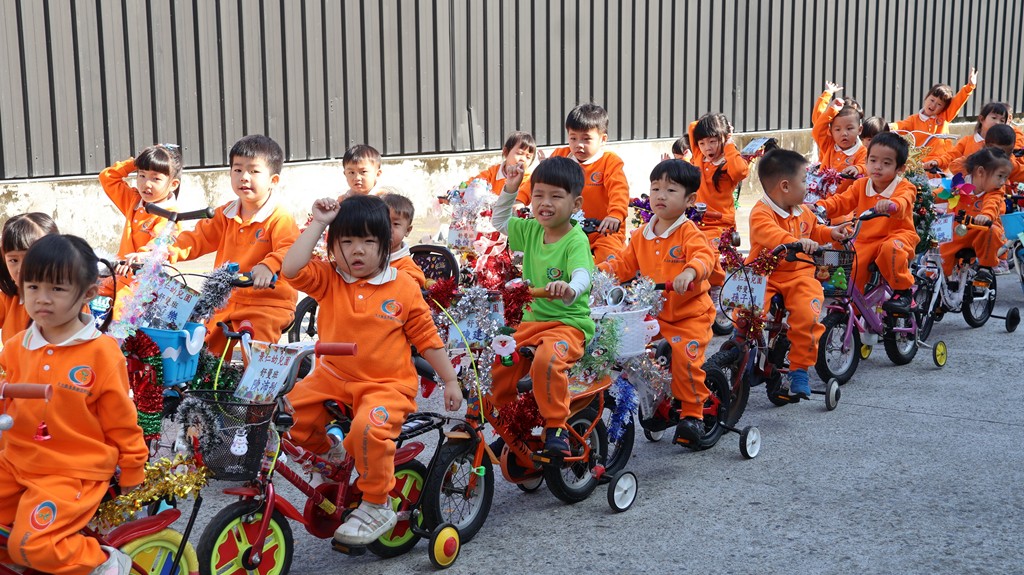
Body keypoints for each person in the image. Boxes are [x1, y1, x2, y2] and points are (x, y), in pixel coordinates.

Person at [282, 194, 462, 546]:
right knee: (287, 414)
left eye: (368, 241)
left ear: (385, 245)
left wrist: (450, 380)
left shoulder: (403, 286)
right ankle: (331, 455)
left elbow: (427, 338)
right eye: (347, 242)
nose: (357, 251)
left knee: (368, 429)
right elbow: (291, 269)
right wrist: (319, 223)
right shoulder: (330, 278)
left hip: (387, 385)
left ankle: (378, 503)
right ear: (332, 247)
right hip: (332, 377)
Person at [0, 234, 147, 575]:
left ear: (88, 293)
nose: (42, 298)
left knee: (32, 545)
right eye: (33, 287)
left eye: (57, 289)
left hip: (71, 471)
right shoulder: (17, 346)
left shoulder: (101, 353)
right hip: (15, 460)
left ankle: (104, 562)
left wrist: (133, 467)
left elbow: (121, 421)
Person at [129, 134, 298, 354]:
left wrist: (269, 265)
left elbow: (290, 248)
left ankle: (260, 376)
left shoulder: (279, 216)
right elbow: (195, 238)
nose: (244, 177)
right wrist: (157, 254)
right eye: (237, 170)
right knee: (204, 351)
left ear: (273, 180)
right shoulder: (225, 214)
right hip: (225, 299)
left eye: (254, 171)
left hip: (267, 303)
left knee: (258, 351)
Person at [598, 159, 716, 445]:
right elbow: (622, 265)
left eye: (671, 190)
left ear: (690, 199)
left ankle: (693, 414)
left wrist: (689, 272)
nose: (661, 195)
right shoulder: (641, 235)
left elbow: (704, 257)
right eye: (655, 188)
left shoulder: (689, 232)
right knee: (622, 347)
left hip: (690, 315)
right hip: (655, 315)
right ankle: (655, 396)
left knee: (686, 361)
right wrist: (594, 275)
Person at [490, 156, 595, 456]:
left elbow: (583, 273)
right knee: (500, 362)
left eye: (555, 196)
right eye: (538, 195)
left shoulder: (575, 240)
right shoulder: (532, 230)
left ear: (575, 204)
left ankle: (556, 426)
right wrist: (511, 188)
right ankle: (512, 426)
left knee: (547, 361)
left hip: (567, 325)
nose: (545, 203)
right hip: (531, 323)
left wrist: (570, 288)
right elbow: (499, 222)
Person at [749, 150, 852, 398]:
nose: (807, 187)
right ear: (785, 186)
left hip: (799, 275)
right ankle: (740, 346)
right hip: (764, 271)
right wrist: (795, 242)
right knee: (746, 308)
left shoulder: (802, 211)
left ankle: (799, 369)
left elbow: (815, 229)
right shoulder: (761, 212)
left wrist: (831, 233)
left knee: (808, 315)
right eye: (804, 181)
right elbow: (770, 233)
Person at [817, 132, 919, 313]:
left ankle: (904, 291)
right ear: (866, 160)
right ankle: (851, 310)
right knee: (852, 267)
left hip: (898, 235)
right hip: (866, 239)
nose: (877, 167)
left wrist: (893, 205)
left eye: (886, 163)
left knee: (891, 249)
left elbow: (904, 201)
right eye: (873, 160)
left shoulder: (904, 187)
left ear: (900, 168)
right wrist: (819, 207)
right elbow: (841, 201)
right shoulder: (861, 185)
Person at [518, 103, 630, 263]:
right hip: (566, 227)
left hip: (603, 230)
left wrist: (615, 215)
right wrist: (520, 200)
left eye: (586, 139)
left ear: (603, 139)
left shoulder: (610, 162)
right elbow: (538, 181)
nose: (579, 144)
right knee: (551, 259)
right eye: (573, 138)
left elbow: (619, 191)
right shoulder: (561, 156)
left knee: (608, 264)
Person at [98, 144, 183, 320]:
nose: (146, 184)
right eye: (142, 175)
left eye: (155, 178)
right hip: (119, 276)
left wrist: (140, 255)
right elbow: (108, 178)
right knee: (85, 298)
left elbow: (160, 243)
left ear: (173, 184)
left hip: (144, 284)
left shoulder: (170, 215)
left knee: (118, 322)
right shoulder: (135, 201)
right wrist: (135, 162)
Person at [688, 113, 750, 308]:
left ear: (723, 139)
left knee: (709, 252)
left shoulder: (729, 162)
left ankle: (717, 288)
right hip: (695, 221)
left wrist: (729, 141)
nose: (707, 148)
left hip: (720, 224)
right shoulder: (699, 157)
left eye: (713, 141)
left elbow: (740, 171)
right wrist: (714, 125)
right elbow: (693, 127)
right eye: (702, 143)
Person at [936, 148, 1014, 281]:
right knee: (940, 263)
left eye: (1005, 177)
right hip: (957, 232)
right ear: (980, 171)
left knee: (993, 231)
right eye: (1000, 176)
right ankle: (938, 283)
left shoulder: (995, 191)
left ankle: (985, 267)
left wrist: (986, 216)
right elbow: (942, 192)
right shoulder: (959, 183)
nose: (1002, 182)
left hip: (980, 232)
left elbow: (992, 204)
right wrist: (925, 198)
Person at [0, 213, 59, 345]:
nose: (22, 268)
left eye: (31, 258)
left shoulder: (70, 301)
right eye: (13, 260)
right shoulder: (8, 300)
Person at [892, 68, 978, 154]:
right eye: (932, 100)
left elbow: (958, 101)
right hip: (922, 159)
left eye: (939, 104)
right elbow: (899, 126)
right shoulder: (914, 120)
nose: (933, 106)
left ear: (944, 108)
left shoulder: (944, 116)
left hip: (943, 158)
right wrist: (888, 127)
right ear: (926, 98)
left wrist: (969, 86)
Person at [927, 102, 1011, 172]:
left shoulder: (1002, 146)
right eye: (994, 118)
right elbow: (951, 156)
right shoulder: (967, 141)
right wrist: (938, 162)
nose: (997, 122)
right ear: (982, 119)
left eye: (1002, 120)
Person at [811, 82, 866, 187]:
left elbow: (868, 166)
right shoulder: (829, 145)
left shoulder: (862, 152)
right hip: (823, 195)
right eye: (837, 129)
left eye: (849, 128)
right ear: (830, 131)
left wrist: (858, 168)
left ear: (859, 130)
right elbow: (818, 127)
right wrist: (831, 109)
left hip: (848, 196)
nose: (844, 133)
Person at [380, 192, 427, 287]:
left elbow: (411, 288)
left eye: (395, 224)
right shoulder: (366, 257)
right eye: (383, 222)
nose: (387, 228)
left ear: (407, 230)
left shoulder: (407, 267)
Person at [472, 131, 537, 197]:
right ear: (506, 152)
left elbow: (520, 200)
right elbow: (473, 183)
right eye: (519, 153)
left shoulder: (528, 180)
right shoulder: (493, 172)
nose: (523, 159)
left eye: (528, 157)